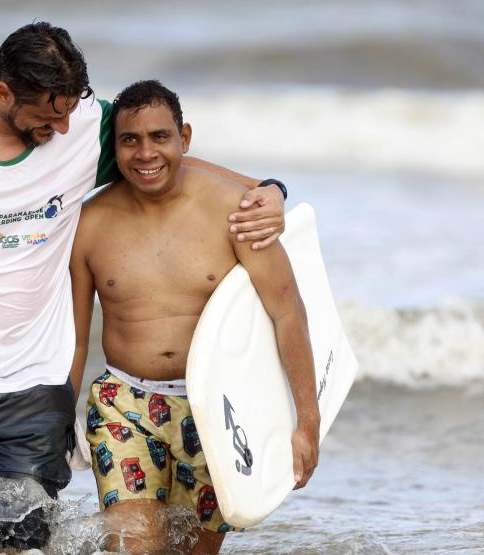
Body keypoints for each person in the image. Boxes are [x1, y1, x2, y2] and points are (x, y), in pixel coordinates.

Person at [0, 22, 288, 552]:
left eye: (69, 111)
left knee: (18, 545)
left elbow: (165, 157)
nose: (64, 128)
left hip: (33, 387)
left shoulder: (84, 125)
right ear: (3, 94)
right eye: (48, 117)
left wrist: (266, 188)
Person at [70, 80, 320, 555]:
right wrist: (61, 417)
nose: (146, 153)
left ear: (184, 138)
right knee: (132, 545)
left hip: (219, 409)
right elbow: (75, 339)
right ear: (114, 148)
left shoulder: (237, 213)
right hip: (124, 402)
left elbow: (287, 312)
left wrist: (307, 422)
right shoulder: (90, 223)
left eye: (160, 137)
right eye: (130, 140)